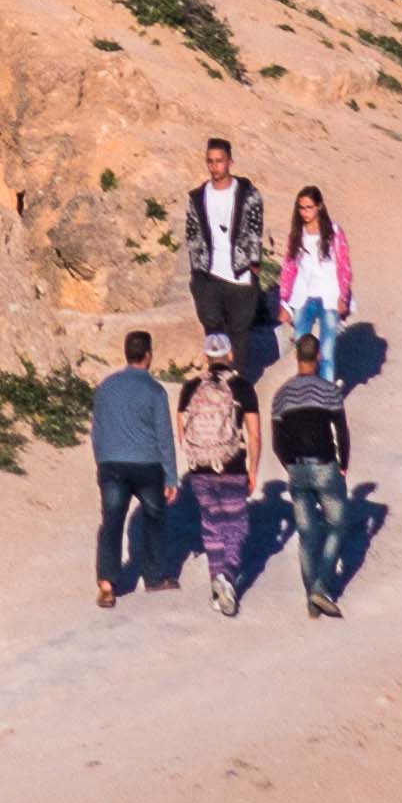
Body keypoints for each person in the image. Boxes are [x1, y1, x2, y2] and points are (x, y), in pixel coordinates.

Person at [267, 321, 359, 617]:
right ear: (318, 356)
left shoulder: (281, 395)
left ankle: (312, 601)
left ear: (297, 357)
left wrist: (289, 464)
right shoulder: (329, 391)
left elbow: (277, 441)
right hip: (324, 465)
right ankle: (320, 587)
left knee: (307, 534)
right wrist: (343, 464)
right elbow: (341, 432)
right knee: (339, 524)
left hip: (296, 469)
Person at [174, 340, 263, 616]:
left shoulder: (190, 388)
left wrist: (197, 454)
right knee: (236, 523)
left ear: (205, 356)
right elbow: (254, 434)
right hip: (232, 464)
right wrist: (252, 469)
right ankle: (227, 573)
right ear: (230, 355)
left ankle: (217, 584)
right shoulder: (243, 387)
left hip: (199, 467)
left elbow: (181, 431)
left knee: (211, 523)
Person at [91, 327, 176, 606]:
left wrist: (101, 462)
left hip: (111, 463)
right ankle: (154, 577)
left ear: (126, 354)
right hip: (147, 465)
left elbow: (97, 431)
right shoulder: (155, 390)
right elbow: (164, 437)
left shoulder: (105, 387)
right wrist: (171, 477)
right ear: (148, 356)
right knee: (154, 517)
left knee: (112, 521)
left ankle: (106, 583)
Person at [184, 138, 272, 378]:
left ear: (230, 162)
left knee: (239, 332)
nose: (215, 167)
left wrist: (252, 265)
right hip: (209, 274)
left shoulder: (249, 195)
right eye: (210, 162)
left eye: (219, 161)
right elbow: (192, 233)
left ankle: (237, 384)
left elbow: (255, 229)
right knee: (212, 329)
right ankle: (216, 380)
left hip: (240, 275)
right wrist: (197, 269)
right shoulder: (197, 198)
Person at [279, 184, 356, 363]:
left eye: (308, 207)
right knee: (302, 350)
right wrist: (284, 301)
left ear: (319, 206)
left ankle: (326, 389)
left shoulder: (334, 232)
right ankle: (307, 388)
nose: (304, 212)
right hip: (303, 296)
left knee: (327, 352)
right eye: (301, 208)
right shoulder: (297, 234)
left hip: (329, 296)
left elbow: (344, 266)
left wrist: (343, 296)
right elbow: (288, 268)